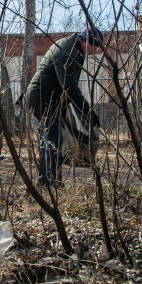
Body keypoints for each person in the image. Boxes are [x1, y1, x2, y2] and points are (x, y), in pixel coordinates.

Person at [21, 27, 103, 186]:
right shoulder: (69, 52)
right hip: (42, 98)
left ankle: (44, 180)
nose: (94, 51)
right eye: (94, 47)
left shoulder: (74, 48)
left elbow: (65, 88)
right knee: (55, 138)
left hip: (45, 98)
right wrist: (88, 112)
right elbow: (70, 87)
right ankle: (53, 181)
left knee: (48, 140)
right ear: (86, 41)